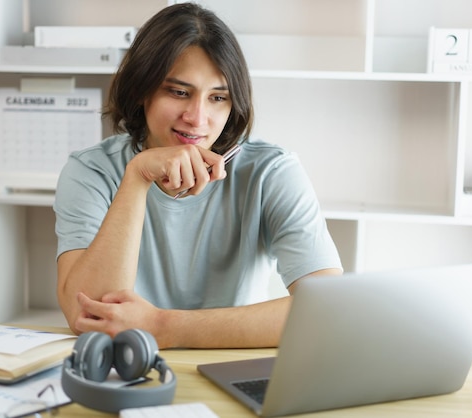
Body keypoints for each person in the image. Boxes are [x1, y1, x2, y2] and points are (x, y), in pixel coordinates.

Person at [53, 3, 342, 349]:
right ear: (141, 89)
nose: (198, 118)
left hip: (229, 362)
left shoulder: (271, 171)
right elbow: (88, 318)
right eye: (178, 92)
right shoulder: (92, 170)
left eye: (218, 97)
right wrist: (137, 179)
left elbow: (327, 310)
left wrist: (163, 326)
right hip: (123, 364)